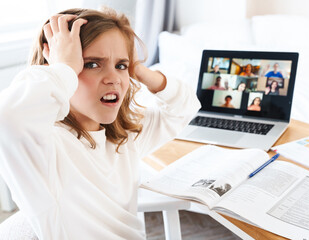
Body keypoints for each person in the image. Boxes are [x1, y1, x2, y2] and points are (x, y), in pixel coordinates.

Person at [0, 8, 200, 240]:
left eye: (121, 66)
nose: (113, 78)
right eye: (92, 64)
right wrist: (63, 67)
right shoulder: (46, 147)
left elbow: (184, 107)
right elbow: (8, 116)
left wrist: (139, 71)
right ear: (57, 69)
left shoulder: (124, 139)